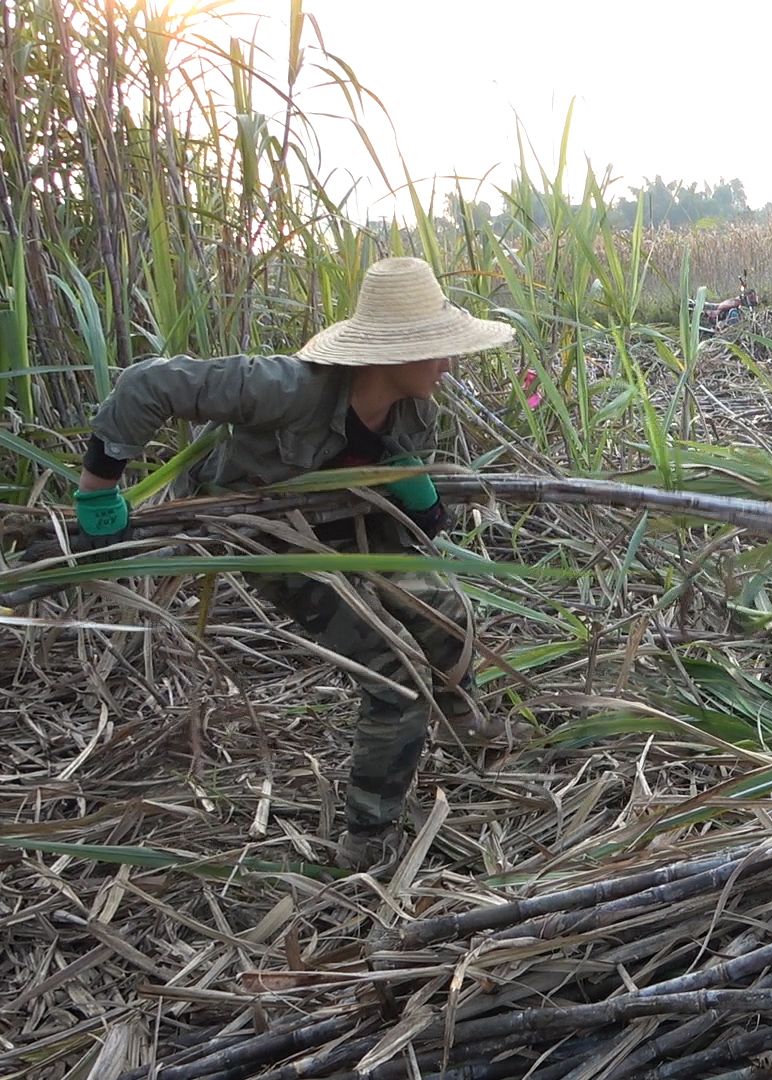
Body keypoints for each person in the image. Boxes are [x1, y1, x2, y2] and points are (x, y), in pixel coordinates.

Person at [73, 256, 526, 874]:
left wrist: (415, 494)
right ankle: (367, 838)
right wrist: (100, 490)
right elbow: (148, 384)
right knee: (394, 676)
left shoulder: (419, 409)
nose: (448, 364)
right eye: (436, 350)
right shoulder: (285, 387)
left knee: (445, 615)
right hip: (274, 537)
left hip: (354, 528)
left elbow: (393, 465)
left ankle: (470, 729)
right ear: (390, 354)